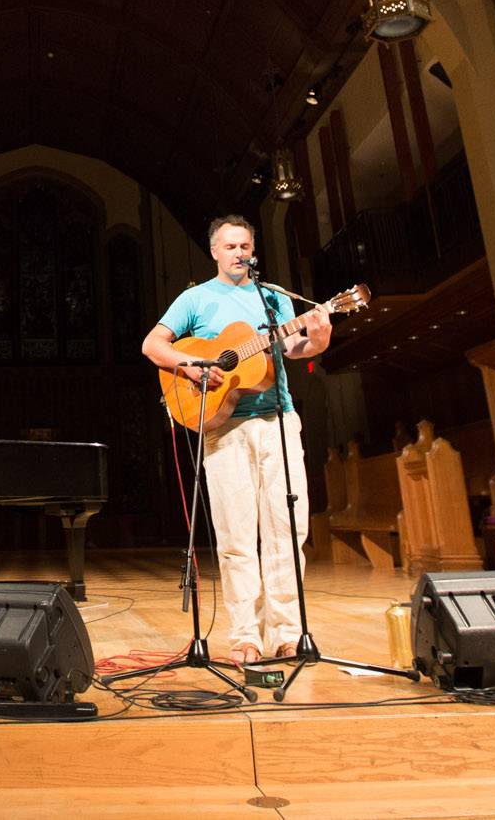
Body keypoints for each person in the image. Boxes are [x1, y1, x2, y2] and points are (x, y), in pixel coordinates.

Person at [143, 215, 334, 666]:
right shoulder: (195, 298)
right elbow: (153, 345)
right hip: (224, 428)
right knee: (235, 536)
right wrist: (190, 367)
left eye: (245, 245)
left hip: (278, 421)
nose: (239, 253)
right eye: (230, 246)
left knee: (288, 530)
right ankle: (244, 635)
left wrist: (319, 337)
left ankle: (287, 633)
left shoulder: (274, 299)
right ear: (214, 251)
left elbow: (294, 349)